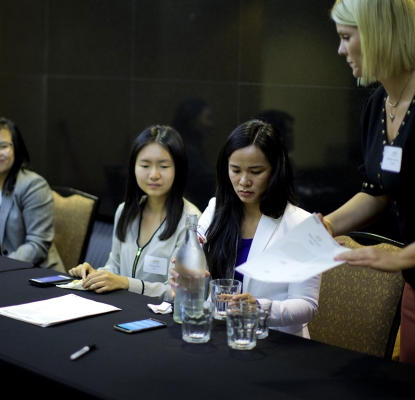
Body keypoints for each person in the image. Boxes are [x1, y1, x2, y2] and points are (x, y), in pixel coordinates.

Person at [320, 0, 415, 366]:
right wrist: (326, 225)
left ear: (378, 35)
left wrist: (399, 257)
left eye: (346, 37)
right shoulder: (378, 104)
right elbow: (377, 190)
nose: (341, 50)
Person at [170, 119, 321, 338]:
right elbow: (192, 259)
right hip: (220, 333)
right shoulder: (215, 209)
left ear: (276, 170)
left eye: (255, 171)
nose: (243, 181)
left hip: (275, 340)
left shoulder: (302, 225)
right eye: (235, 170)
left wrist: (259, 307)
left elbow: (307, 305)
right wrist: (180, 271)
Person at [69, 125, 201, 300]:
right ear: (133, 168)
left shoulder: (191, 221)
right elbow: (114, 267)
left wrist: (126, 283)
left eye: (163, 166)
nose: (154, 175)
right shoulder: (124, 211)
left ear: (178, 169)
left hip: (161, 318)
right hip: (120, 308)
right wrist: (95, 275)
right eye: (145, 165)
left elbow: (179, 292)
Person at [0, 117, 64, 270]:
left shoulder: (33, 185)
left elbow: (37, 245)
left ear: (16, 148)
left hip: (33, 272)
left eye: (3, 146)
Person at [171, 98, 216, 212]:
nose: (210, 124)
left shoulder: (191, 146)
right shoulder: (188, 150)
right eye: (207, 118)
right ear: (192, 120)